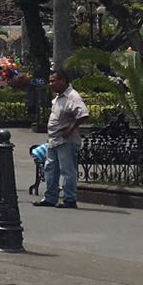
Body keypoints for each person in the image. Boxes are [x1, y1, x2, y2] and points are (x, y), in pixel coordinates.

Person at [37, 67, 90, 209]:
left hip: (66, 140)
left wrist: (70, 129)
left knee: (67, 170)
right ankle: (50, 197)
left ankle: (69, 199)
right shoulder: (58, 98)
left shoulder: (72, 96)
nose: (51, 84)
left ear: (63, 81)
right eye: (50, 81)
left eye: (54, 81)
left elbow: (83, 114)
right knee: (50, 169)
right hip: (54, 140)